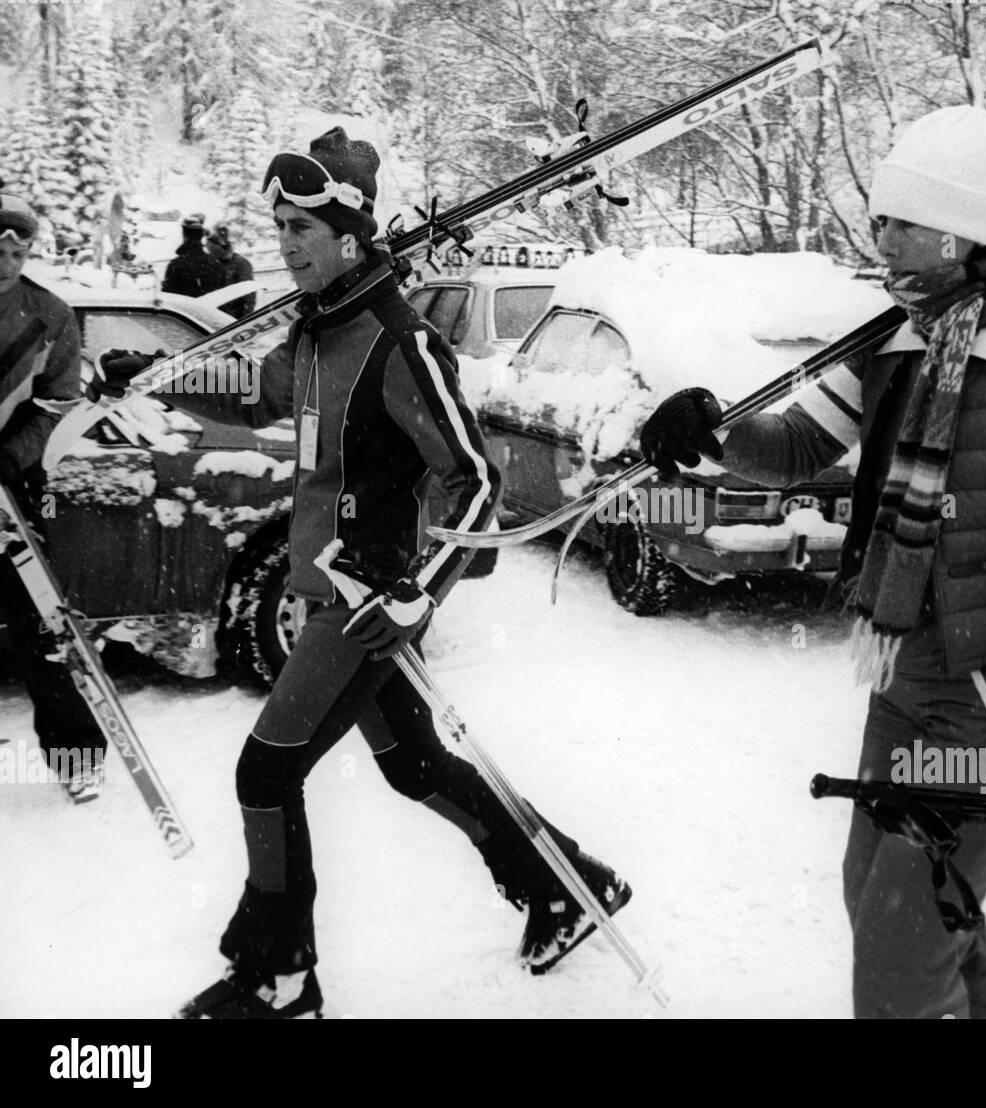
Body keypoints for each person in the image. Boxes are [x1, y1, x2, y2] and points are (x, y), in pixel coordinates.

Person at [639, 105, 986, 1019]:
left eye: (896, 218)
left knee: (904, 951)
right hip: (904, 690)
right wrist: (710, 430)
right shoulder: (901, 341)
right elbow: (796, 449)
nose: (877, 233)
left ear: (954, 230)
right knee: (899, 912)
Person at [94, 128, 630, 1019]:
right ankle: (566, 886)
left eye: (303, 224)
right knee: (415, 765)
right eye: (279, 228)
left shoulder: (396, 342)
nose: (286, 243)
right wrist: (154, 375)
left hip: (367, 604)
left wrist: (421, 593)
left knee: (264, 776)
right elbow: (255, 394)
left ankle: (281, 976)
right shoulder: (316, 333)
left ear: (349, 232)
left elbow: (476, 480)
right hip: (323, 593)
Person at [0, 191, 107, 801]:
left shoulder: (50, 314)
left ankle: (78, 760)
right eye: (0, 247)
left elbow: (59, 404)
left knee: (41, 631)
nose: (9, 260)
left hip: (13, 488)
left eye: (21, 250)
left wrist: (10, 455)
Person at [161, 213, 227, 299]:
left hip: (185, 311)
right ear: (200, 237)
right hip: (210, 311)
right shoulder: (216, 264)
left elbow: (168, 299)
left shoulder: (176, 265)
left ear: (184, 235)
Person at [206, 222, 256, 319]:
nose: (208, 246)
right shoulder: (208, 263)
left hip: (231, 319)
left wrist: (244, 321)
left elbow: (248, 297)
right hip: (212, 316)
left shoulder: (240, 264)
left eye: (211, 243)